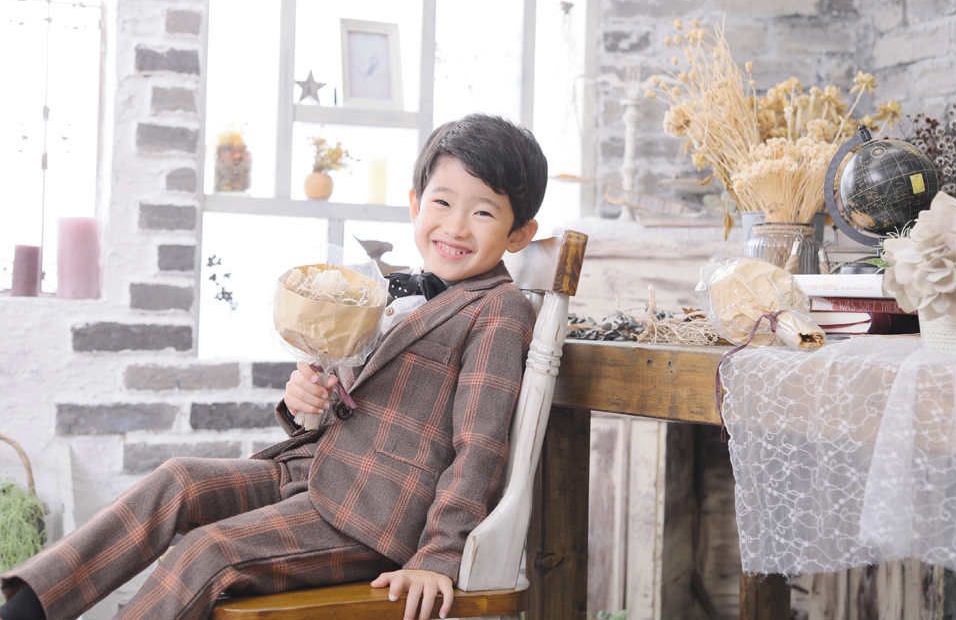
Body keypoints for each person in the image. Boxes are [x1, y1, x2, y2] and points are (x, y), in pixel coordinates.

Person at [0, 113, 548, 620]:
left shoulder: (498, 308)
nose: (455, 227)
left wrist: (439, 554)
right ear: (414, 204)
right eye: (442, 202)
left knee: (208, 551)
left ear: (519, 233)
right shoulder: (397, 292)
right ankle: (26, 607)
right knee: (176, 480)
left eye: (482, 212)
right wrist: (309, 399)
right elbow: (364, 400)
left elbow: (479, 448)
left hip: (377, 519)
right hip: (314, 472)